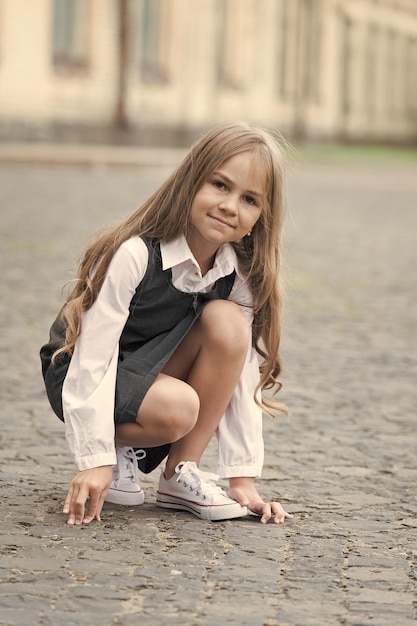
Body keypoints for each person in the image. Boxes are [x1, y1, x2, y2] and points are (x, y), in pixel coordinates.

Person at [40, 120, 293, 527]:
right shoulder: (134, 254)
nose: (230, 206)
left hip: (151, 373)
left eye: (250, 199)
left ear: (262, 216)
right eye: (220, 185)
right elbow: (93, 357)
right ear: (190, 181)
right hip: (81, 369)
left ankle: (180, 473)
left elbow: (240, 375)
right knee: (179, 407)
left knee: (229, 324)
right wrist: (96, 459)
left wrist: (242, 480)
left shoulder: (236, 276)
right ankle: (119, 449)